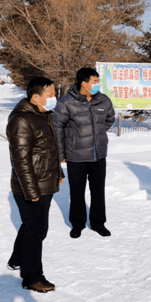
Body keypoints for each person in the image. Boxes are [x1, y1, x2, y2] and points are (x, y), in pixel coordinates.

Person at [6, 77, 64, 293]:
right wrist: (31, 191)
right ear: (35, 97)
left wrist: (57, 172)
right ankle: (32, 277)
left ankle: (17, 259)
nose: (53, 98)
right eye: (50, 95)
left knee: (31, 225)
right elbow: (20, 160)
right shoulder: (22, 120)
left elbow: (50, 149)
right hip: (32, 187)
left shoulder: (42, 115)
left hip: (43, 182)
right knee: (37, 231)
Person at [53, 67, 115, 238]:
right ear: (84, 83)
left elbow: (110, 119)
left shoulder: (103, 101)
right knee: (77, 192)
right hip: (75, 156)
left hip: (98, 155)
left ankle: (98, 223)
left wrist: (97, 134)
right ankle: (77, 224)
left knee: (98, 191)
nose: (97, 85)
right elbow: (57, 126)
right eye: (95, 81)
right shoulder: (67, 102)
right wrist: (61, 153)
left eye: (98, 81)